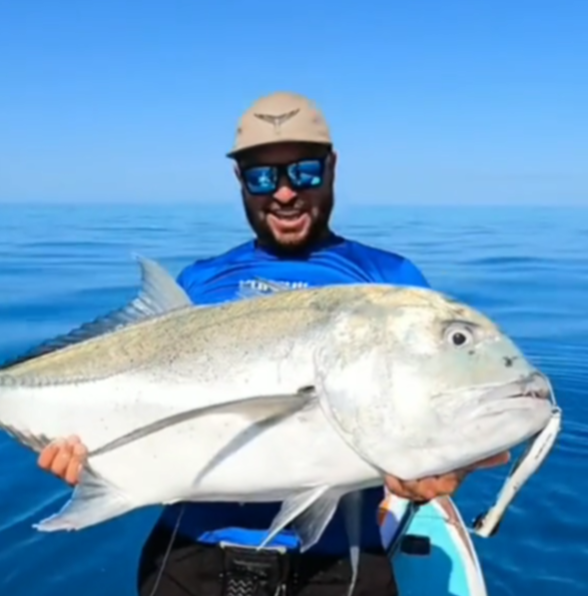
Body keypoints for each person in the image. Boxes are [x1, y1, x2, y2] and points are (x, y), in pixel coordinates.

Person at [37, 92, 509, 596]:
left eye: (303, 171)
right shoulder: (200, 283)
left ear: (332, 167)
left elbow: (453, 404)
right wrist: (91, 459)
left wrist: (446, 466)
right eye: (262, 176)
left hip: (337, 566)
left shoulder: (390, 282)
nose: (283, 193)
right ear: (239, 181)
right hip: (191, 559)